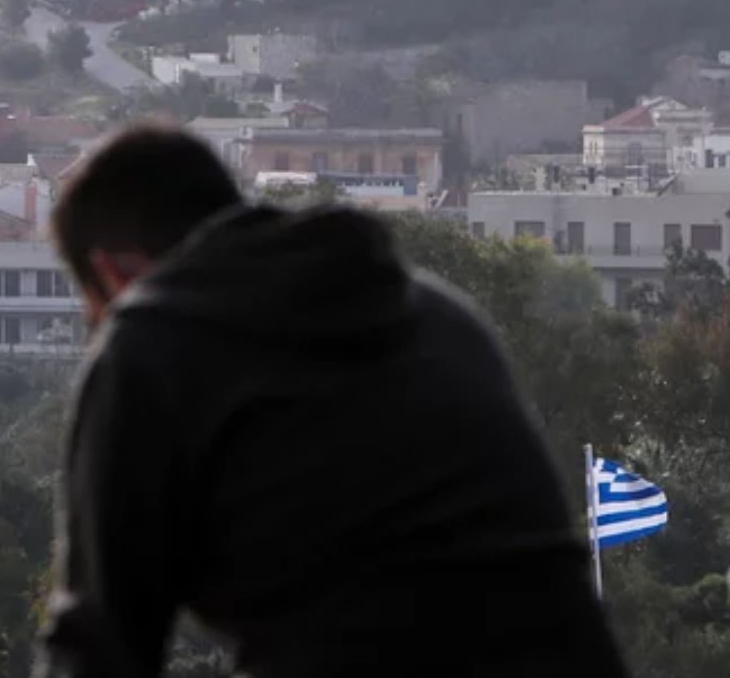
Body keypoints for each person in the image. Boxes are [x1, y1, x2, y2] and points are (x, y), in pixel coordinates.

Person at [37, 126, 629, 678]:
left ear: (112, 272)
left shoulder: (151, 343)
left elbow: (99, 647)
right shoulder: (436, 313)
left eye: (94, 313)